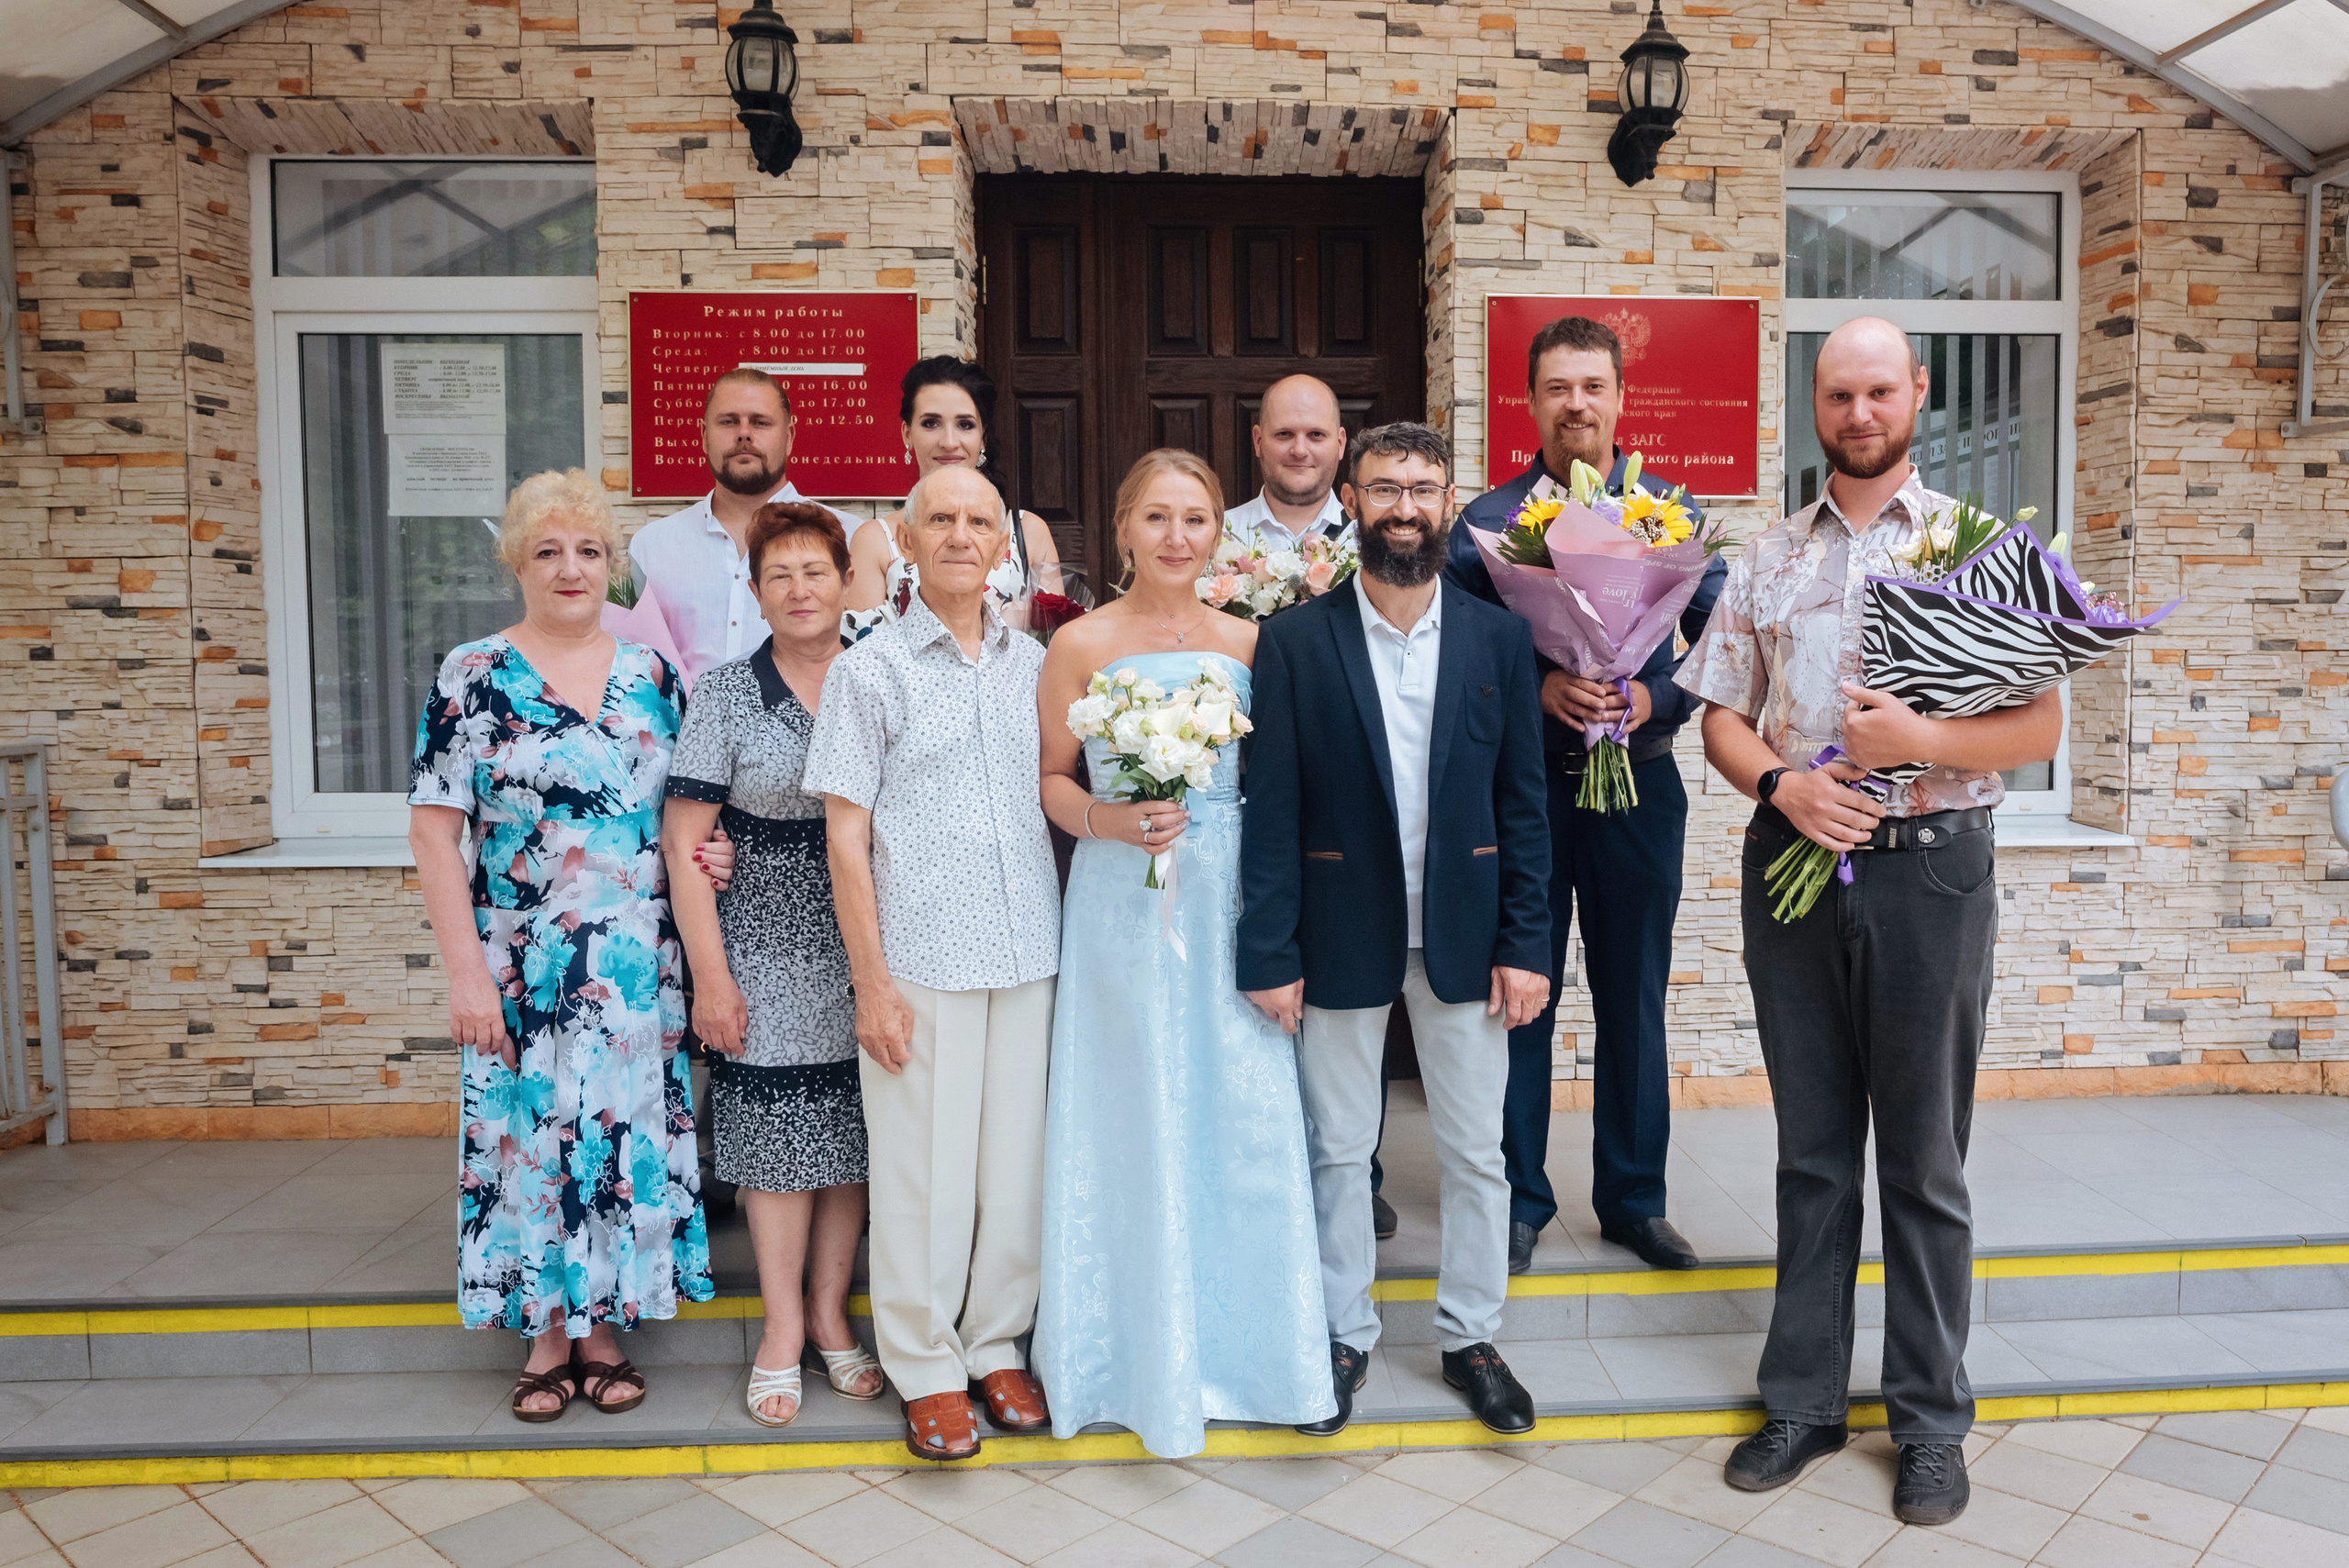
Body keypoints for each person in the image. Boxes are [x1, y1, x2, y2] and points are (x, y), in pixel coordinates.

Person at [1678, 316, 2061, 1527]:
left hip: (1933, 874)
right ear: (1816, 399)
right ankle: (1800, 1399)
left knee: (1926, 1161)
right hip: (1795, 863)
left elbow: (2041, 729)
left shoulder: (1977, 547)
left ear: (1918, 394)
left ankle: (1932, 1418)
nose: (1858, 412)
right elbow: (1722, 717)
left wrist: (1925, 743)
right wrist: (1781, 786)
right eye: (1838, 392)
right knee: (1811, 1152)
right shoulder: (1768, 554)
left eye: (1879, 391)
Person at [1240, 422, 1552, 1438]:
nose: (1405, 507)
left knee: (1475, 1151)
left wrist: (1527, 943)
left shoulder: (1500, 638)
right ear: (1352, 499)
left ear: (1448, 500)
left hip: (1467, 936)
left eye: (1421, 488)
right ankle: (1343, 1332)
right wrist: (1270, 953)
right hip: (1337, 934)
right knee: (1337, 1148)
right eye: (1384, 489)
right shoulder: (1293, 641)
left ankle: (1470, 1335)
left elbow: (1523, 808)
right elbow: (1272, 813)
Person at [1031, 450, 1335, 1457]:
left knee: (1235, 1109)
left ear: (1219, 533)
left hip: (1225, 897)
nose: (1175, 536)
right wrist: (1105, 823)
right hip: (1121, 900)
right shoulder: (1079, 642)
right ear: (1121, 529)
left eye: (1195, 518)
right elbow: (1051, 780)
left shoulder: (1255, 642)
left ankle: (1257, 1355)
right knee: (1128, 1106)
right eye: (1155, 517)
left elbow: (1283, 786)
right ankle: (1122, 1355)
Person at [406, 468, 712, 1423]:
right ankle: (546, 1331)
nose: (569, 568)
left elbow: (688, 812)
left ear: (611, 565)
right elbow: (432, 831)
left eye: (587, 550)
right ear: (517, 564)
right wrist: (465, 972)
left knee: (621, 1140)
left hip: (635, 961)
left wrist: (717, 850)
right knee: (531, 1141)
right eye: (547, 550)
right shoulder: (470, 674)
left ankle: (607, 1325)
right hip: (522, 961)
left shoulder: (654, 676)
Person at [1447, 315, 1728, 1276]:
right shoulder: (1486, 525)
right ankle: (1520, 1197)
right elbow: (1445, 661)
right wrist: (1534, 688)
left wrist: (1656, 693)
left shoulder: (1670, 513)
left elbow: (1728, 644)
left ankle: (1633, 1199)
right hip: (1521, 797)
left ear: (1619, 397)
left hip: (1639, 786)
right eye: (1556, 387)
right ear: (1528, 402)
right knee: (1517, 995)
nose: (1575, 402)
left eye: (1591, 385)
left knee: (1632, 995)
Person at [803, 462, 1062, 1462]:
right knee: (922, 1176)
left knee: (1011, 1171)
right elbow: (843, 835)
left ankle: (996, 1341)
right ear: (902, 543)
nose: (961, 534)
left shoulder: (1034, 662)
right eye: (939, 518)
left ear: (1006, 543)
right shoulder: (869, 669)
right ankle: (925, 1362)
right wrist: (871, 981)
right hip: (917, 957)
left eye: (979, 520)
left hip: (1026, 950)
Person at [661, 503, 884, 1428]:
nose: (799, 589)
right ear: (756, 592)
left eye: (815, 571)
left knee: (852, 1142)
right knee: (780, 1153)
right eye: (779, 574)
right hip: (761, 939)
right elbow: (684, 842)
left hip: (871, 939)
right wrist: (712, 977)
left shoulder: (879, 675)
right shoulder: (722, 693)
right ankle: (783, 1329)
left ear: (846, 582)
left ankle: (834, 1313)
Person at [630, 368, 863, 684]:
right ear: (703, 435)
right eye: (728, 422)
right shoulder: (651, 546)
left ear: (790, 436)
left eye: (760, 422)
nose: (743, 434)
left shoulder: (852, 538)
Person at [845, 356, 1062, 634]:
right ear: (907, 433)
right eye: (931, 423)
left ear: (983, 436)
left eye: (965, 425)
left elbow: (1058, 642)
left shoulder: (1028, 532)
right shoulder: (874, 540)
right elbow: (863, 652)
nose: (948, 442)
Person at [1223, 373, 1353, 553]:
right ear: (1258, 441)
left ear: (1340, 444)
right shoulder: (1215, 536)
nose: (1299, 451)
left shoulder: (1371, 542)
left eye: (1316, 435)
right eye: (1284, 434)